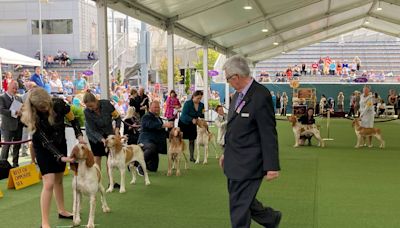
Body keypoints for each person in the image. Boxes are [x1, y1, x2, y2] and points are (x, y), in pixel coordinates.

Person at [219, 55, 281, 228]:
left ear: (236, 77)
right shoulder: (237, 96)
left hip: (249, 162)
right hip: (234, 159)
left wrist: (272, 166)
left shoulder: (261, 95)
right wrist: (226, 153)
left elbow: (268, 133)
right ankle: (271, 218)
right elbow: (233, 129)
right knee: (242, 199)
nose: (228, 82)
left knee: (238, 205)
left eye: (228, 79)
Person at [20, 87, 84, 228]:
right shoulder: (34, 118)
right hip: (43, 148)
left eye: (47, 105)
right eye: (42, 107)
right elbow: (46, 143)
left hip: (60, 142)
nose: (46, 108)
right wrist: (61, 158)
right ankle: (45, 222)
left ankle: (62, 210)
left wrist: (79, 136)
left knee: (59, 180)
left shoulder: (59, 104)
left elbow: (74, 120)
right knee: (49, 182)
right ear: (35, 107)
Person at [83, 92, 121, 172]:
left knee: (109, 157)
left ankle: (111, 183)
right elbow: (93, 130)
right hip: (94, 136)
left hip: (108, 132)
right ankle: (97, 181)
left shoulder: (106, 104)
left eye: (91, 106)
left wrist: (117, 130)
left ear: (96, 101)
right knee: (97, 157)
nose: (90, 108)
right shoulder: (86, 112)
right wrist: (102, 140)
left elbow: (117, 117)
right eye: (87, 106)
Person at [138, 100, 173, 172]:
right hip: (145, 141)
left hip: (155, 144)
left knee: (153, 169)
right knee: (152, 147)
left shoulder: (158, 118)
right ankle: (140, 165)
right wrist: (164, 125)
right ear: (150, 108)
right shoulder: (146, 116)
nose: (157, 109)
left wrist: (172, 134)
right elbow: (151, 125)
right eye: (155, 107)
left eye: (158, 107)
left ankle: (135, 162)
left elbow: (161, 131)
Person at [0, 81, 24, 167]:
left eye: (16, 88)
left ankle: (15, 163)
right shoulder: (2, 97)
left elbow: (22, 108)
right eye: (13, 88)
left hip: (18, 125)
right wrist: (14, 112)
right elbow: (1, 110)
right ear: (8, 87)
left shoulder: (19, 98)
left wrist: (22, 112)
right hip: (7, 126)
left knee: (17, 145)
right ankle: (3, 165)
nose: (15, 90)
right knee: (6, 146)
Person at [178, 90, 205, 162]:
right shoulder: (187, 103)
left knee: (192, 140)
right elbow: (184, 115)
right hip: (183, 123)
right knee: (180, 140)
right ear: (193, 96)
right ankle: (177, 155)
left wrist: (202, 120)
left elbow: (202, 115)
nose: (199, 100)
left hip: (193, 124)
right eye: (198, 98)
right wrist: (191, 119)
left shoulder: (202, 105)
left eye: (200, 98)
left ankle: (191, 157)